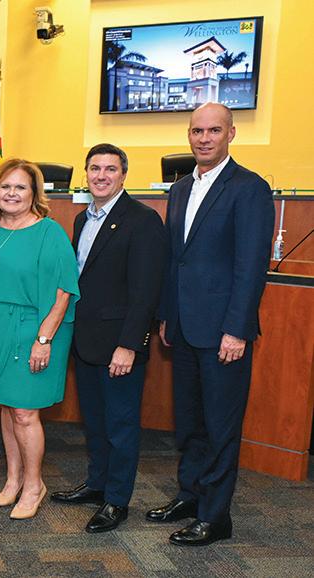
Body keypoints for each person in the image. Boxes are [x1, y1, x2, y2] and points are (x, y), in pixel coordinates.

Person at [148, 103, 274, 546]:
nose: (204, 138)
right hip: (184, 327)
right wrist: (167, 315)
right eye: (197, 131)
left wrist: (237, 329)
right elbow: (175, 260)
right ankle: (191, 495)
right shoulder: (181, 188)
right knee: (190, 421)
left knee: (220, 426)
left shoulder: (249, 188)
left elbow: (250, 266)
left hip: (224, 331)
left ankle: (215, 516)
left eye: (214, 131)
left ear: (231, 134)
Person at [50, 144, 167, 533]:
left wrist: (129, 345)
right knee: (96, 422)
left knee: (120, 426)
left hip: (119, 345)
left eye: (110, 169)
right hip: (86, 341)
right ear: (86, 173)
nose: (101, 176)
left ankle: (117, 501)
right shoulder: (82, 218)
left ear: (123, 175)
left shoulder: (143, 220)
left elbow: (146, 291)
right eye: (95, 168)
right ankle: (97, 484)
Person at [0, 158, 79, 520]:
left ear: (34, 192)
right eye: (5, 186)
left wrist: (44, 339)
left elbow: (64, 292)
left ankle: (34, 484)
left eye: (20, 187)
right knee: (7, 406)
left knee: (24, 411)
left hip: (35, 329)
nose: (12, 193)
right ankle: (14, 477)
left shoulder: (50, 233)